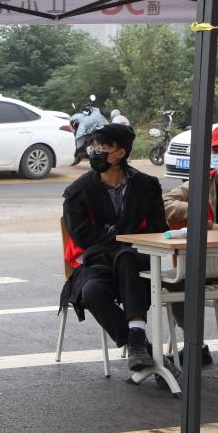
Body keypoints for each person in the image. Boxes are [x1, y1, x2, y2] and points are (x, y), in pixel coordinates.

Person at [61, 123, 169, 371]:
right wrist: (119, 237)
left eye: (103, 147)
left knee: (128, 258)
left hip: (136, 260)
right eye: (94, 146)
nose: (96, 152)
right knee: (92, 292)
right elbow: (82, 236)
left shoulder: (147, 185)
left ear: (120, 153)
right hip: (98, 262)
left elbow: (158, 228)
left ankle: (139, 342)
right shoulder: (79, 191)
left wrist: (117, 236)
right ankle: (140, 346)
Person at [161, 124, 218, 366]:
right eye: (216, 150)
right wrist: (199, 214)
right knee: (175, 282)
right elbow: (166, 202)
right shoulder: (204, 181)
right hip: (208, 263)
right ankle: (196, 346)